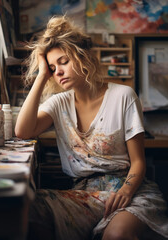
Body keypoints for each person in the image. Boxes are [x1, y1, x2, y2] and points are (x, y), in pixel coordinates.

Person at [15, 15, 168, 240]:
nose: (57, 72)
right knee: (28, 213)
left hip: (129, 190)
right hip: (84, 194)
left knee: (115, 235)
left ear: (83, 56)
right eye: (51, 67)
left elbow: (138, 162)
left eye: (63, 61)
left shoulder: (123, 96)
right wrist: (40, 76)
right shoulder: (58, 103)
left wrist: (126, 191)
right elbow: (22, 131)